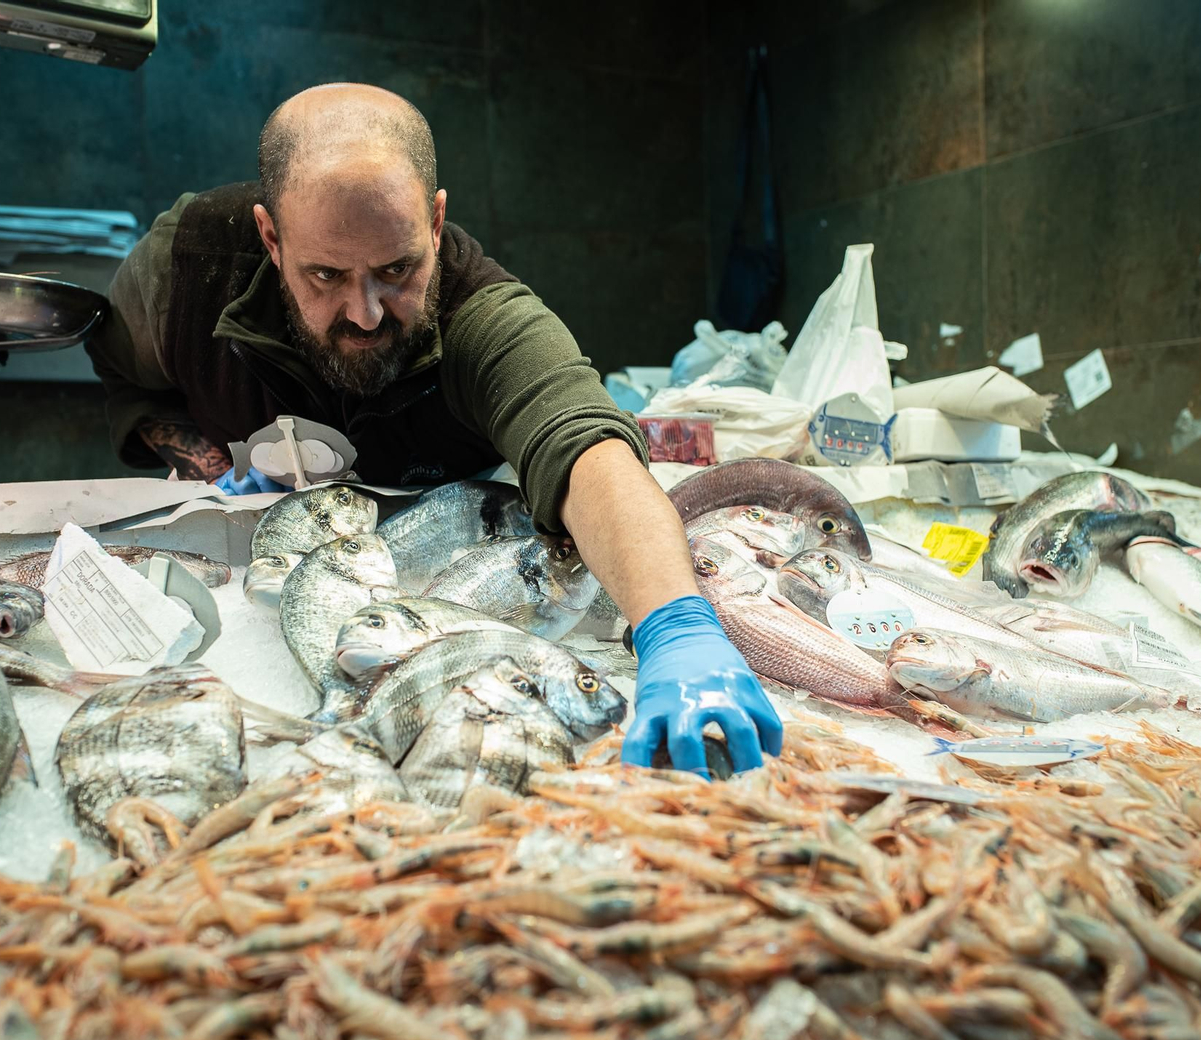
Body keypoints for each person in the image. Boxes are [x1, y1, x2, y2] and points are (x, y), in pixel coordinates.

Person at [86, 83, 780, 777]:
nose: (364, 312)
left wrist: (675, 624)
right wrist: (208, 464)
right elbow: (124, 373)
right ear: (272, 237)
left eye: (398, 270)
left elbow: (584, 447)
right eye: (325, 275)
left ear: (436, 221)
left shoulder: (485, 315)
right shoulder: (184, 269)